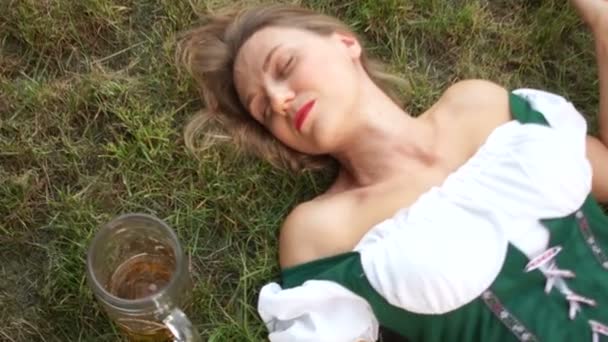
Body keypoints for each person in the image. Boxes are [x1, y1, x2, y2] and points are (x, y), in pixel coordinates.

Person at [176, 0, 608, 340]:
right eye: (263, 109)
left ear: (346, 44)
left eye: (285, 66)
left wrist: (602, 20)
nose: (278, 100)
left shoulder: (476, 104)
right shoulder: (322, 232)